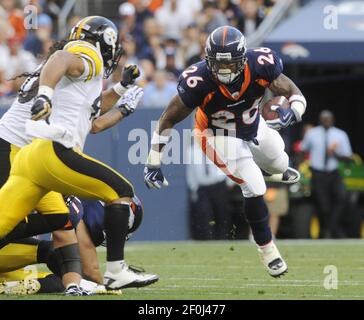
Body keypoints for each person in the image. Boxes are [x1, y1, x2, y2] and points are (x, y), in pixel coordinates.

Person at [144, 26, 307, 277]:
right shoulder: (197, 80)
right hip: (217, 134)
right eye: (217, 64)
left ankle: (270, 172)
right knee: (254, 186)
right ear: (207, 59)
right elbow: (167, 119)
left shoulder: (261, 63)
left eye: (230, 64)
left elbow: (294, 93)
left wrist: (292, 111)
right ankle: (267, 249)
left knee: (280, 162)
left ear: (242, 58)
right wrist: (153, 162)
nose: (223, 70)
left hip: (253, 125)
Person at [0, 16, 144, 293]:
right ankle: (115, 270)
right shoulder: (85, 53)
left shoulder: (77, 74)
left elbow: (92, 116)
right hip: (16, 148)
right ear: (105, 44)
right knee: (115, 192)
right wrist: (44, 95)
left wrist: (121, 93)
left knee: (60, 219)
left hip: (28, 153)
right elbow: (62, 59)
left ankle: (79, 282)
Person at [0, 196, 158, 295]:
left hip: (6, 248)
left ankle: (7, 286)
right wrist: (103, 285)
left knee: (64, 277)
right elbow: (90, 269)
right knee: (68, 271)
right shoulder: (71, 204)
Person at [301, 110, 352, 238]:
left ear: (333, 120)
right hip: (318, 173)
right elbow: (303, 150)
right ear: (320, 119)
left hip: (334, 172)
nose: (326, 121)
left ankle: (332, 227)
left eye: (328, 118)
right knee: (323, 204)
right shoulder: (312, 133)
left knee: (341, 198)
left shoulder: (340, 135)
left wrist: (335, 153)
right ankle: (326, 230)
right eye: (323, 118)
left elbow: (348, 158)